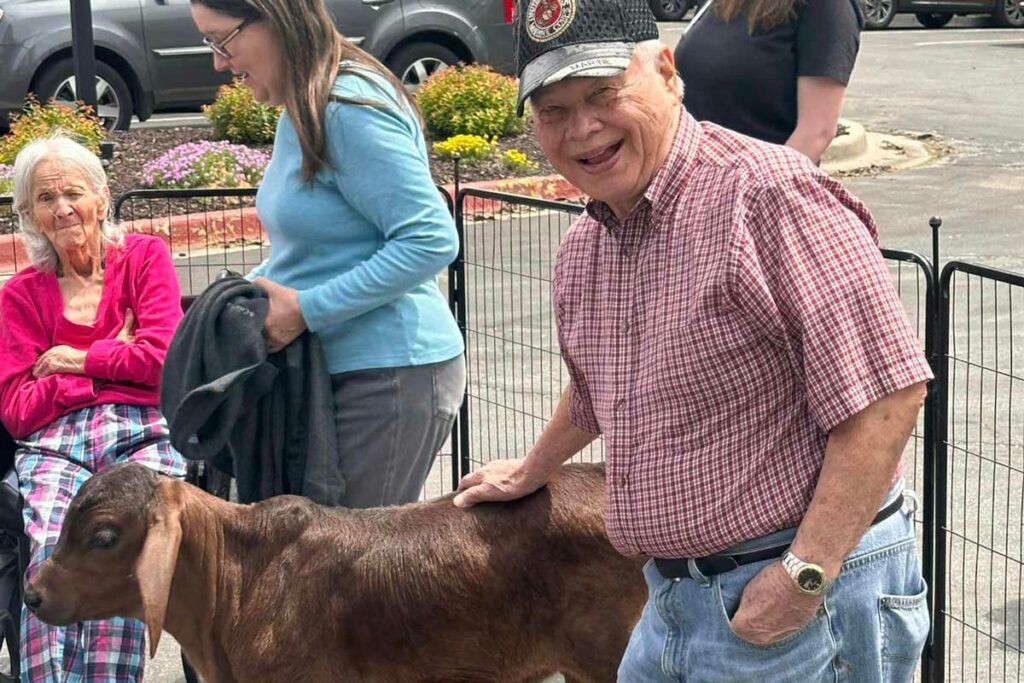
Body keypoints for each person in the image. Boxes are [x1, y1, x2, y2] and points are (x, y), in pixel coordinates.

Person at [455, 0, 933, 680]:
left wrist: (801, 577)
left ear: (667, 72)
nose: (582, 129)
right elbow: (602, 385)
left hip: (792, 602)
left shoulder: (768, 195)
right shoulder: (589, 243)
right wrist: (532, 469)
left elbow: (889, 394)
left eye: (602, 94)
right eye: (553, 110)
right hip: (672, 597)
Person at [188, 0, 466, 508]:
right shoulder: (305, 103)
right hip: (350, 374)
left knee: (354, 582)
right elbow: (320, 247)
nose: (218, 62)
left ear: (275, 16)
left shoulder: (343, 107)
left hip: (386, 378)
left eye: (222, 40)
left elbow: (431, 239)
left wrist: (306, 309)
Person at [0, 135, 187, 682]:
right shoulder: (19, 297)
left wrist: (72, 361)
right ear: (29, 215)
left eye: (72, 193)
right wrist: (112, 363)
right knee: (53, 544)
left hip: (142, 433)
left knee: (119, 543)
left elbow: (160, 363)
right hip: (54, 443)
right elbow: (16, 408)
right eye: (44, 198)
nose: (61, 208)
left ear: (102, 197)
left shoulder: (144, 258)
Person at [674, 0, 863, 163]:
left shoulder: (826, 6)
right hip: (692, 187)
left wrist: (751, 195)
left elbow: (816, 133)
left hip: (754, 195)